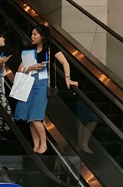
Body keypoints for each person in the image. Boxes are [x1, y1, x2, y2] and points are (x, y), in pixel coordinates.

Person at [14, 24, 78, 154]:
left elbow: (65, 62)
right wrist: (31, 67)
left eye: (35, 34)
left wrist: (67, 78)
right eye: (32, 34)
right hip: (29, 83)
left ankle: (44, 144)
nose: (32, 37)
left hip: (42, 84)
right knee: (30, 117)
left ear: (42, 36)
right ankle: (36, 145)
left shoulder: (51, 48)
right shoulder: (30, 50)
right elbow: (20, 69)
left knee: (36, 116)